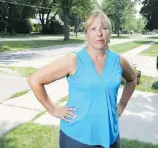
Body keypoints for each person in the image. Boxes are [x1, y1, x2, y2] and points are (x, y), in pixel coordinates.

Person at [28, 9, 137, 148]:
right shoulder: (73, 60)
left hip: (110, 135)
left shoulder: (118, 60)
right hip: (76, 137)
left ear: (109, 32)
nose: (99, 33)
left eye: (104, 28)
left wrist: (122, 103)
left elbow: (133, 79)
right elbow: (34, 80)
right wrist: (53, 109)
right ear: (86, 34)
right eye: (93, 29)